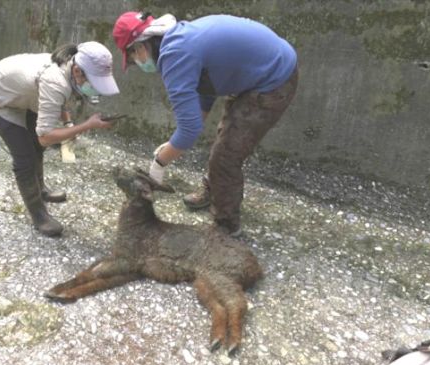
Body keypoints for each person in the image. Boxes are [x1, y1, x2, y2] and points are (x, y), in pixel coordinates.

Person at [113, 12, 298, 236]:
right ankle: (215, 190)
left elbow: (189, 130)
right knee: (226, 137)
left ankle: (226, 228)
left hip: (273, 79)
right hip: (257, 71)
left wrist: (160, 162)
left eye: (132, 59)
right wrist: (175, 141)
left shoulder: (174, 54)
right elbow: (205, 90)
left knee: (226, 156)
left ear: (139, 48)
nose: (136, 63)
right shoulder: (178, 39)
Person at [0, 42, 120, 237]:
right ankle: (39, 215)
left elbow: (59, 103)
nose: (95, 88)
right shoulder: (56, 81)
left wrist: (70, 125)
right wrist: (87, 125)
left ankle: (41, 190)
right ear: (78, 71)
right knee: (25, 159)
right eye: (94, 82)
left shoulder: (68, 69)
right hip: (0, 97)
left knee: (36, 147)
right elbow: (45, 137)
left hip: (25, 93)